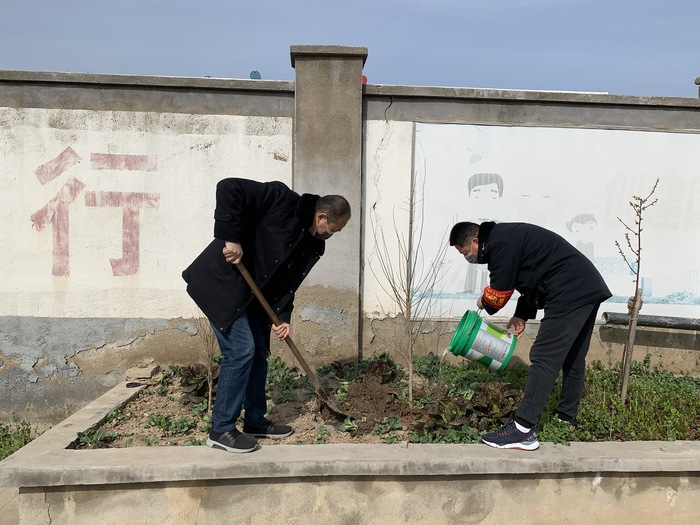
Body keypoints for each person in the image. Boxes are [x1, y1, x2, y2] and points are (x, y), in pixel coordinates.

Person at [183, 178, 351, 453]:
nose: (334, 233)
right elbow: (229, 187)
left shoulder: (312, 244)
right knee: (241, 350)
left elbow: (289, 283)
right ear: (321, 216)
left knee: (259, 352)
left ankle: (254, 420)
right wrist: (232, 238)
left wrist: (283, 315)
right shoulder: (281, 199)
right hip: (222, 284)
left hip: (253, 298)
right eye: (335, 228)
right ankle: (221, 429)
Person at [449, 221, 611, 451]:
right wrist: (521, 314)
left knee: (544, 356)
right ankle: (566, 419)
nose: (469, 258)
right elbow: (532, 275)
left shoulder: (497, 244)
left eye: (466, 253)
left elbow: (500, 290)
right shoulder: (505, 237)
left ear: (475, 241)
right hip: (585, 285)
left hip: (569, 290)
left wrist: (483, 302)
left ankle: (522, 430)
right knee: (573, 358)